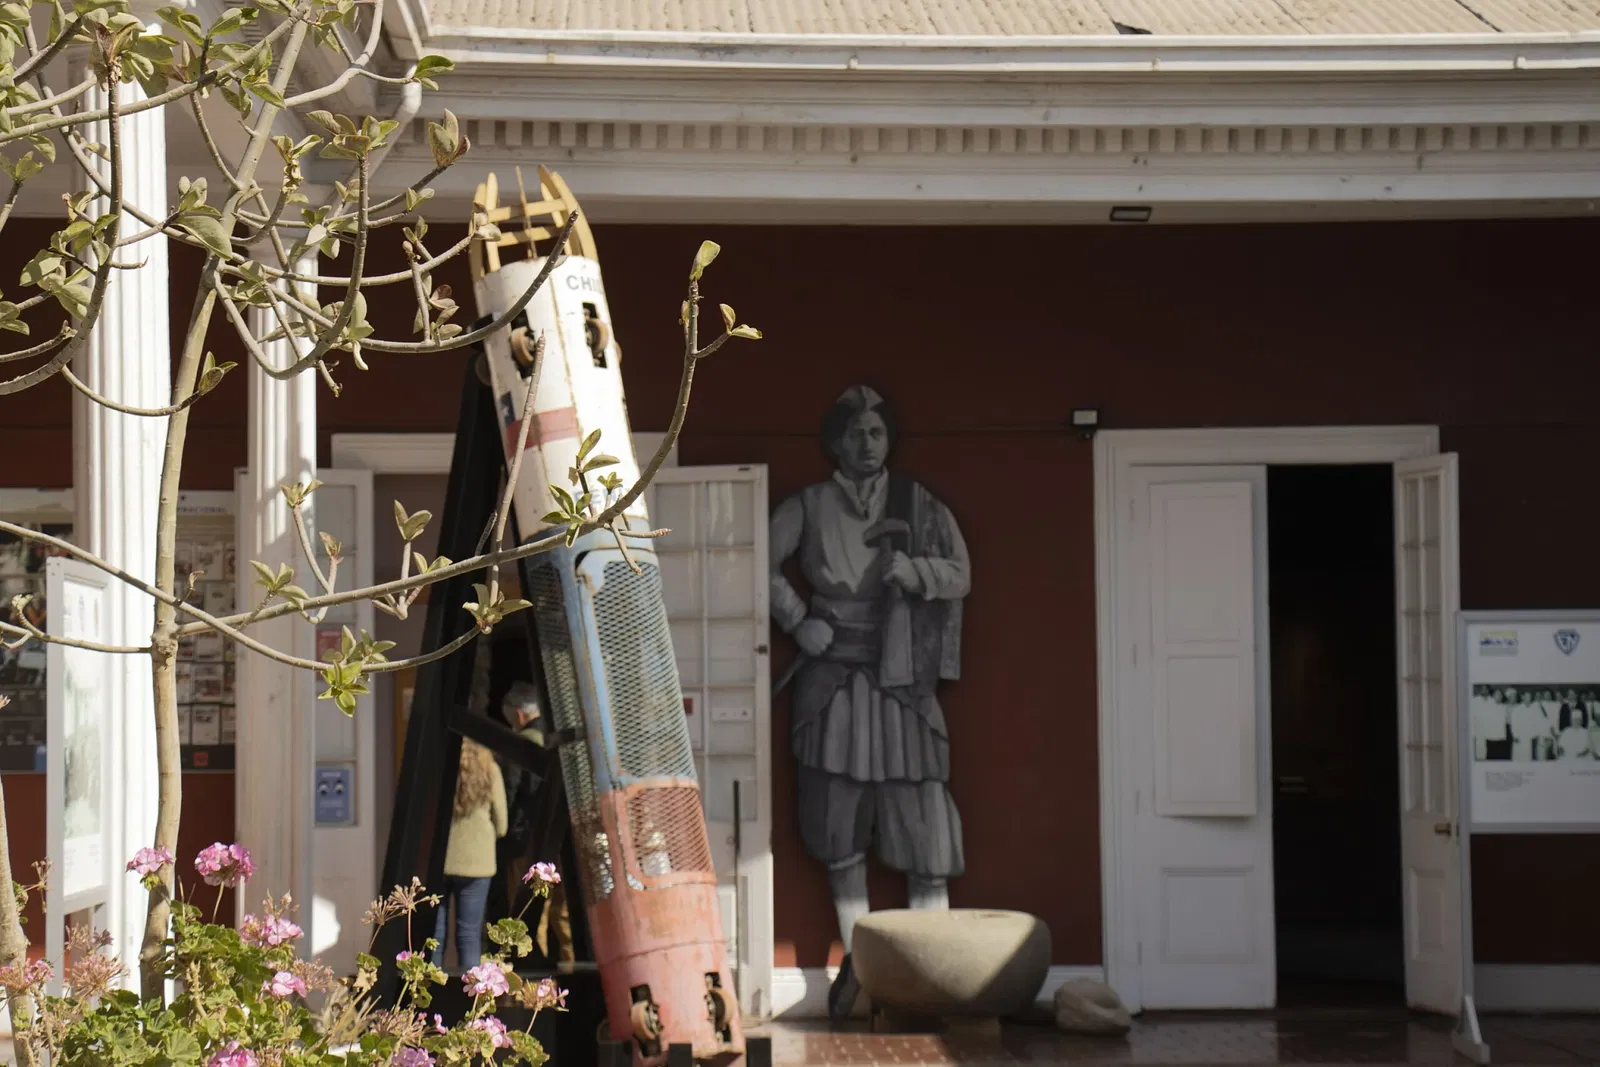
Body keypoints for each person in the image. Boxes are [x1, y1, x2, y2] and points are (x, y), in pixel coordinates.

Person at [769, 384, 971, 1023]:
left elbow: (960, 572)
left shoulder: (920, 504)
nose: (866, 443)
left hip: (902, 678)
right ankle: (861, 968)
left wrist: (917, 574)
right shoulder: (808, 505)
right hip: (832, 682)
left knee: (924, 823)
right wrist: (799, 620)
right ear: (835, 440)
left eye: (876, 432)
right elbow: (758, 563)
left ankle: (926, 972)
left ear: (889, 439)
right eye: (854, 433)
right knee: (837, 823)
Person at [432, 739, 507, 970]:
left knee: (435, 934)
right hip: (478, 863)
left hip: (440, 859)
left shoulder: (439, 768)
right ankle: (470, 995)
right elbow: (502, 825)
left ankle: (424, 993)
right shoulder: (490, 769)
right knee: (469, 934)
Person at [1509, 689, 1553, 763]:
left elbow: (1541, 722)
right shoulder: (1517, 709)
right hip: (1520, 737)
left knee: (1530, 758)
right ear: (1522, 697)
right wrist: (1515, 736)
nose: (1528, 698)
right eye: (1526, 696)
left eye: (1529, 697)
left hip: (1532, 737)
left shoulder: (1534, 708)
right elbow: (1513, 724)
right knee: (1519, 757)